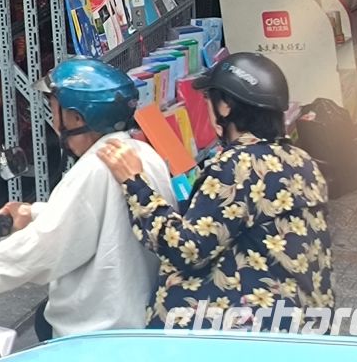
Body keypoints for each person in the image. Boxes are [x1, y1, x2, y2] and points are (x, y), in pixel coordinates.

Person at [0, 58, 175, 340]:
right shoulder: (142, 154)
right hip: (137, 315)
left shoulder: (94, 169)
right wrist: (34, 213)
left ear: (77, 118)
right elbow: (96, 218)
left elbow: (39, 250)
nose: (53, 120)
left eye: (55, 108)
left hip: (97, 330)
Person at [96, 52, 334, 330]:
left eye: (208, 99)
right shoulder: (302, 161)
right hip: (302, 322)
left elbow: (187, 250)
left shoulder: (237, 166)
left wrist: (134, 183)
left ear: (225, 106)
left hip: (246, 333)